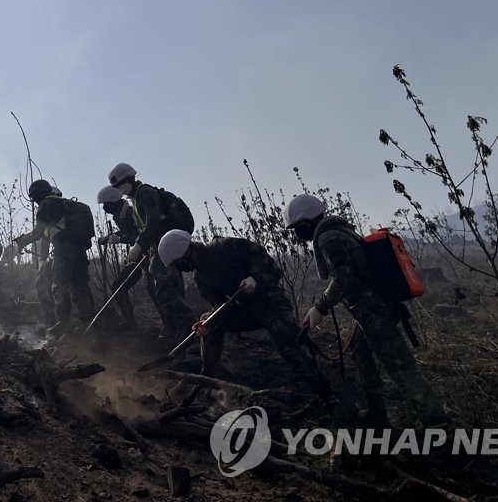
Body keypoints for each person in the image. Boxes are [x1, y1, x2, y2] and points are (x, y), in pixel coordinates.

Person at [284, 193, 448, 428]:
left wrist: (320, 307)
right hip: (369, 311)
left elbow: (344, 276)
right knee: (361, 355)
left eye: (297, 228)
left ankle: (438, 425)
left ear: (307, 222)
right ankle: (376, 414)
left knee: (400, 367)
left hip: (375, 311)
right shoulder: (340, 229)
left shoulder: (328, 237)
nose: (297, 234)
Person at [158, 229, 332, 401]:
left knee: (287, 339)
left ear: (186, 251)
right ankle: (212, 383)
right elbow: (220, 306)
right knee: (210, 324)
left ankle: (324, 393)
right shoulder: (200, 278)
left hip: (269, 299)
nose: (181, 268)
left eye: (178, 262)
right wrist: (206, 321)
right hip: (243, 310)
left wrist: (254, 277)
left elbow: (262, 256)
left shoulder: (223, 247)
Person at [107, 163, 194, 339]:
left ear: (130, 178)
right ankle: (174, 330)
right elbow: (143, 226)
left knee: (166, 289)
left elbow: (153, 221)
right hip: (156, 248)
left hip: (163, 247)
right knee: (161, 289)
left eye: (120, 184)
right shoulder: (136, 199)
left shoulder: (144, 192)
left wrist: (139, 243)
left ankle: (188, 332)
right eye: (116, 187)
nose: (119, 189)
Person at [14, 180, 96, 335]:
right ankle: (89, 324)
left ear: (37, 194)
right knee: (80, 287)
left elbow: (38, 232)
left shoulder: (46, 204)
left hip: (63, 250)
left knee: (59, 286)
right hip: (80, 249)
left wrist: (22, 241)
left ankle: (63, 325)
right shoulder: (66, 204)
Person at [97, 185, 146, 329]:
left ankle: (172, 329)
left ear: (114, 201)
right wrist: (111, 237)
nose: (105, 208)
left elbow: (138, 236)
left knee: (158, 293)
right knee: (118, 286)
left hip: (147, 256)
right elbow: (126, 232)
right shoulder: (120, 215)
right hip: (136, 258)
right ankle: (130, 324)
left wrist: (119, 239)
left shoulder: (130, 212)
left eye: (106, 204)